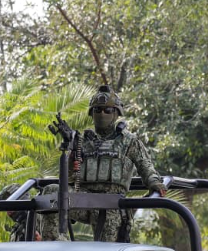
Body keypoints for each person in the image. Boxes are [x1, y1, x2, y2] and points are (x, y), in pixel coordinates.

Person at [41, 85, 166, 242]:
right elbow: (69, 179)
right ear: (91, 114)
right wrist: (70, 150)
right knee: (51, 191)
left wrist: (155, 182)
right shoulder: (81, 141)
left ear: (116, 114)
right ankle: (53, 247)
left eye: (107, 110)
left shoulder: (129, 141)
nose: (102, 114)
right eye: (97, 110)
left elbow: (146, 166)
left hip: (112, 204)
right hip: (84, 200)